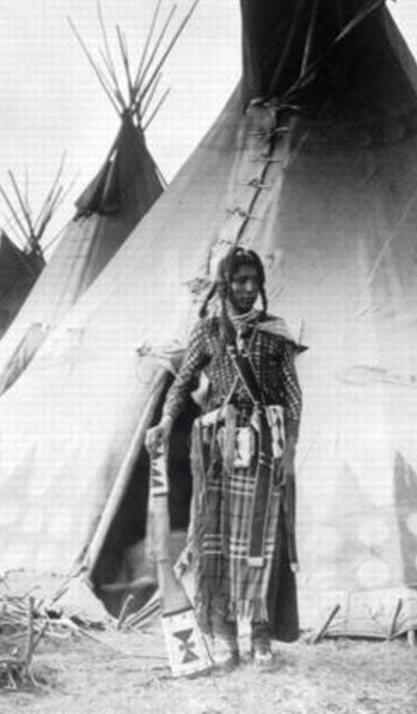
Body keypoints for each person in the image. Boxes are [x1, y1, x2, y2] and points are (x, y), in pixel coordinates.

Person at [146, 246, 303, 669]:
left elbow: (292, 398)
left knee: (261, 544)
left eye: (255, 281)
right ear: (225, 285)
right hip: (217, 450)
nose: (249, 289)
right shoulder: (208, 332)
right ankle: (228, 637)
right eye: (240, 282)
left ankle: (262, 637)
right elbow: (180, 386)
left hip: (265, 453)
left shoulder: (276, 333)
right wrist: (164, 422)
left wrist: (289, 452)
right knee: (217, 545)